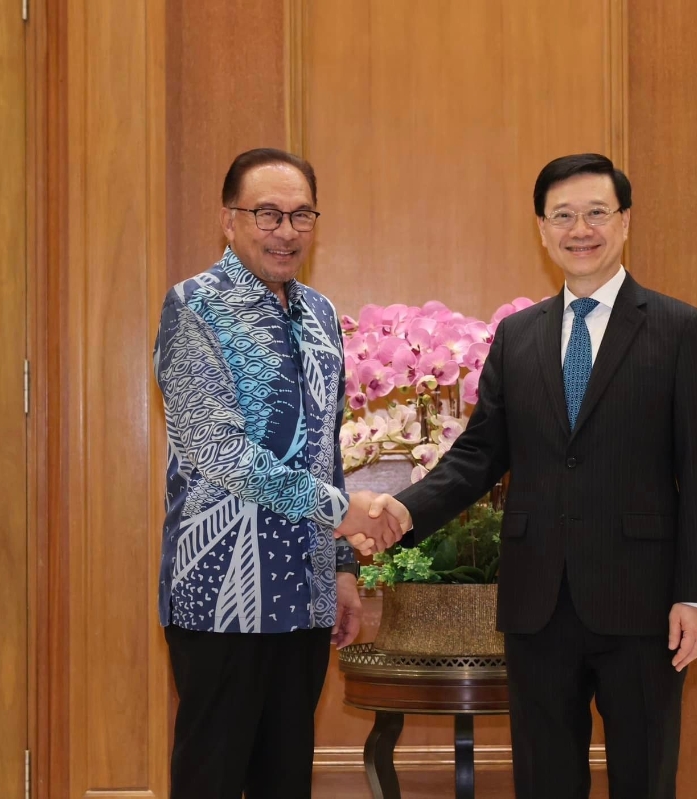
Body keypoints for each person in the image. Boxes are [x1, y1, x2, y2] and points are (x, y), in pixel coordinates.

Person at [362, 153, 697, 799]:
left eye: (596, 213)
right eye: (563, 216)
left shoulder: (681, 330)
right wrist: (406, 509)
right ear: (541, 229)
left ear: (625, 221)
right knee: (544, 780)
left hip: (643, 602)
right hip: (538, 604)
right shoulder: (518, 336)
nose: (579, 229)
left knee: (645, 778)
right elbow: (480, 453)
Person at [154, 147, 403, 799]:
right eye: (267, 213)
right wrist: (341, 512)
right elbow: (220, 451)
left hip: (306, 592)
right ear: (229, 220)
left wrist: (343, 571)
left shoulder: (320, 315)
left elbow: (327, 451)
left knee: (286, 779)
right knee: (211, 777)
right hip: (220, 592)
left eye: (301, 215)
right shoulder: (194, 307)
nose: (285, 231)